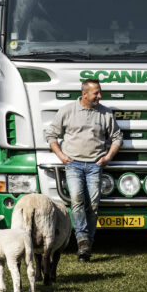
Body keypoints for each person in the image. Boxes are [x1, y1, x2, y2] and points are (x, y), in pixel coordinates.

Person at [44, 78, 122, 262]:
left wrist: (108, 157)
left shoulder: (105, 113)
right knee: (77, 200)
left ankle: (88, 241)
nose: (99, 96)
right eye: (96, 93)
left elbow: (117, 137)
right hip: (73, 164)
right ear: (84, 93)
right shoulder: (67, 111)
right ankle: (82, 240)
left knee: (93, 204)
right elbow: (50, 134)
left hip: (95, 165)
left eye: (100, 92)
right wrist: (61, 156)